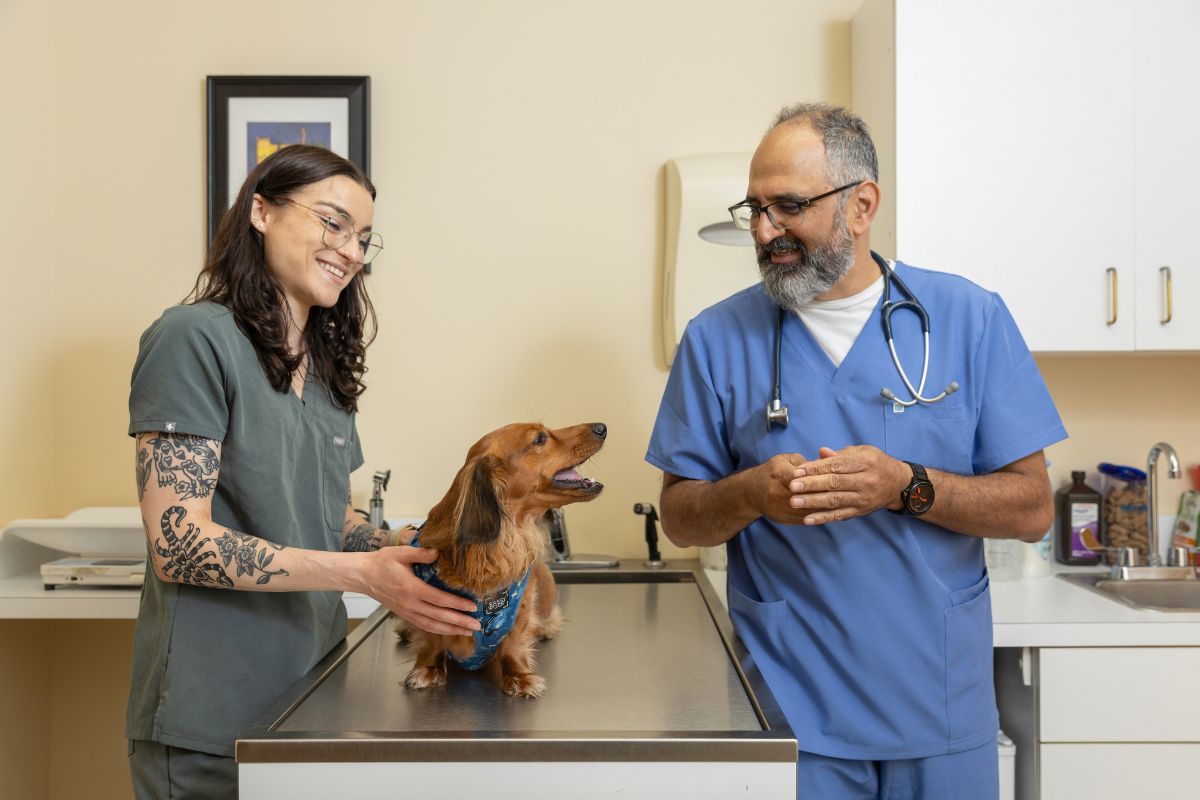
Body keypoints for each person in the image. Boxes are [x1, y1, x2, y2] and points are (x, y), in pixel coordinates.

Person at [646, 103, 1066, 799]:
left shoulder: (968, 319)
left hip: (939, 708)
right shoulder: (716, 339)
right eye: (753, 208)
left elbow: (1031, 509)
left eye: (787, 206)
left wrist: (906, 485)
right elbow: (682, 517)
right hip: (793, 718)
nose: (762, 230)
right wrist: (752, 493)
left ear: (861, 204)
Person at [126, 145, 480, 799]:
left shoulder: (327, 372)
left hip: (311, 707)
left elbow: (327, 519)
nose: (350, 251)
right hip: (212, 721)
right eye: (333, 223)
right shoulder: (193, 340)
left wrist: (413, 545)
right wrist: (363, 576)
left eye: (364, 239)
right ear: (261, 211)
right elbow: (179, 544)